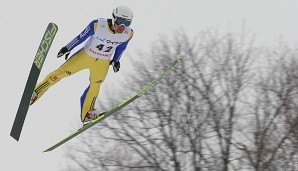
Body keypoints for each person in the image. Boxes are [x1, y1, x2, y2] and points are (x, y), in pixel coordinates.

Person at [30, 5, 134, 125]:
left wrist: (116, 60)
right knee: (60, 74)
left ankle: (87, 114)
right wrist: (67, 48)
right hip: (85, 56)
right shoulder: (98, 25)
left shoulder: (128, 34)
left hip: (103, 62)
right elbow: (81, 37)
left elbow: (122, 46)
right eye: (121, 21)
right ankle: (35, 93)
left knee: (96, 86)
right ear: (114, 18)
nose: (123, 27)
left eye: (127, 23)